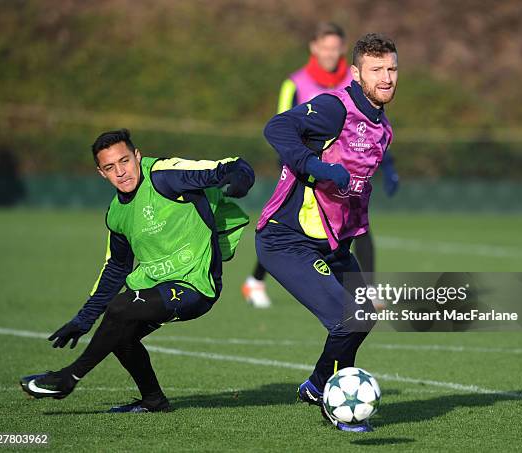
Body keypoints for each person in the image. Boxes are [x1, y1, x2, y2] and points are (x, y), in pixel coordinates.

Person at [20, 129, 254, 412]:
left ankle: (68, 378)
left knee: (121, 309)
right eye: (110, 167)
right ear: (101, 173)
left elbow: (235, 165)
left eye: (124, 161)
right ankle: (154, 401)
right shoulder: (116, 214)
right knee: (121, 333)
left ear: (137, 156)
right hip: (158, 287)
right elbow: (116, 269)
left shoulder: (166, 176)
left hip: (197, 285)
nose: (120, 172)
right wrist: (84, 319)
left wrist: (240, 181)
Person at [255, 33, 398, 431]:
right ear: (356, 73)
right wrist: (315, 167)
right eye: (376, 70)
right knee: (346, 318)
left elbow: (354, 203)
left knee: (362, 315)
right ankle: (337, 407)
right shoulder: (336, 107)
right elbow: (277, 127)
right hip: (286, 239)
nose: (386, 77)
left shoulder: (383, 129)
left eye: (391, 68)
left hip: (332, 244)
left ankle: (318, 385)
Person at [242, 22, 399, 309]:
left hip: (346, 179)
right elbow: (283, 124)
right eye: (325, 47)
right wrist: (308, 165)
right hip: (306, 168)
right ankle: (256, 280)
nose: (330, 53)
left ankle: (363, 291)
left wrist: (388, 168)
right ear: (314, 48)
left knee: (356, 224)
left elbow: (370, 129)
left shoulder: (356, 81)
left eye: (335, 47)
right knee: (290, 226)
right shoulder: (296, 82)